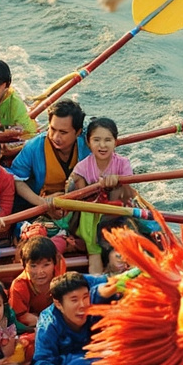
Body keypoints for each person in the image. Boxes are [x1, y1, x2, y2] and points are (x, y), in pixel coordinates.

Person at [9, 99, 90, 239]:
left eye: (63, 132)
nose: (56, 137)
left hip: (78, 205)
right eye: (52, 129)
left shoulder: (88, 145)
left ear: (78, 132)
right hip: (39, 206)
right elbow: (16, 180)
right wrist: (43, 203)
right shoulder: (34, 146)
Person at [66, 117, 136, 274]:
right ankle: (97, 278)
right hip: (89, 218)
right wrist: (89, 186)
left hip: (116, 215)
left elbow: (129, 195)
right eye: (96, 140)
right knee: (95, 254)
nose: (102, 145)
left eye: (108, 140)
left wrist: (120, 182)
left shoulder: (123, 163)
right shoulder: (82, 168)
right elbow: (79, 202)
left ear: (115, 142)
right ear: (88, 142)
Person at [32, 272, 118, 365]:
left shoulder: (96, 304)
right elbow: (44, 358)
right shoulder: (48, 323)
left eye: (85, 297)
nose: (82, 305)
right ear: (58, 304)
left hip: (103, 357)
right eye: (74, 300)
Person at [8, 234, 66, 328]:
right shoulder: (19, 286)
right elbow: (20, 317)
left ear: (55, 263)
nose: (40, 272)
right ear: (23, 264)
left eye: (46, 265)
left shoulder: (60, 275)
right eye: (33, 266)